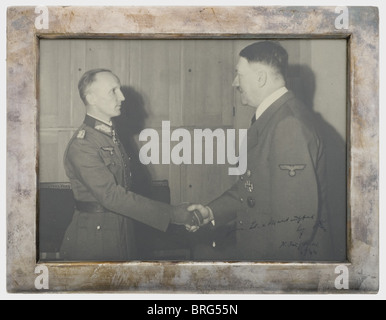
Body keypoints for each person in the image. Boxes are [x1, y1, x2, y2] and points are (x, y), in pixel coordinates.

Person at [188, 41, 339, 262]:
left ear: (260, 78)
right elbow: (254, 190)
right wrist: (210, 212)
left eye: (239, 74)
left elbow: (293, 227)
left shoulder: (288, 125)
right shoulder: (275, 117)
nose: (234, 82)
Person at [60, 69, 196, 261]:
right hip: (95, 239)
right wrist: (172, 214)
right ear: (91, 98)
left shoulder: (110, 136)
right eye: (113, 91)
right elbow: (112, 196)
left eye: (120, 90)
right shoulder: (83, 144)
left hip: (124, 230)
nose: (122, 97)